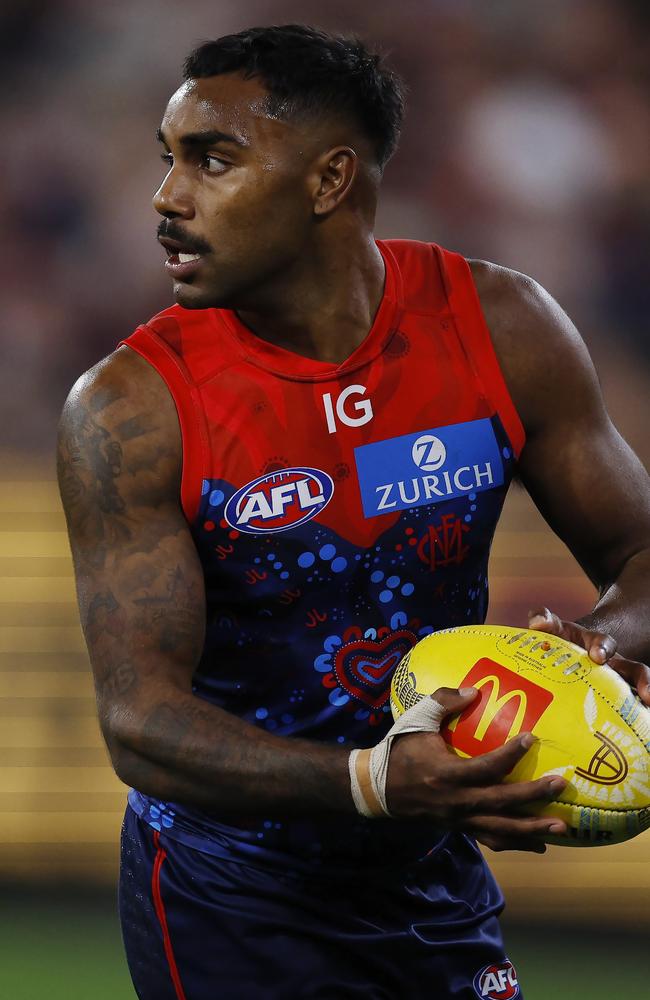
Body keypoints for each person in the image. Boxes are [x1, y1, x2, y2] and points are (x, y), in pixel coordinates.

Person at [57, 24, 650, 1000]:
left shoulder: (499, 327)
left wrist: (592, 640)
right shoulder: (128, 407)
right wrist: (372, 782)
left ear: (329, 180)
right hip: (227, 899)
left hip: (430, 878)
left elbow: (639, 553)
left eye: (212, 160)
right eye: (169, 159)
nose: (166, 197)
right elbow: (141, 722)